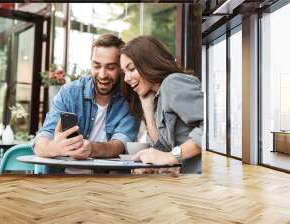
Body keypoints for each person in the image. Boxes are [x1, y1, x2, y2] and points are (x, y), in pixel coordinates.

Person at [33, 34, 140, 173]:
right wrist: (55, 147)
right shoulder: (70, 93)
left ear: (121, 67)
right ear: (90, 63)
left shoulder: (130, 98)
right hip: (62, 183)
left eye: (110, 67)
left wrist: (92, 149)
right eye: (96, 65)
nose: (102, 74)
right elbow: (41, 141)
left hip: (109, 185)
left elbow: (120, 145)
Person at [120, 36, 203, 174]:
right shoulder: (158, 99)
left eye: (132, 69)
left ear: (149, 63)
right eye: (124, 72)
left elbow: (212, 131)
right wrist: (147, 107)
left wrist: (172, 156)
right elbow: (162, 150)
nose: (126, 78)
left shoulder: (172, 83)